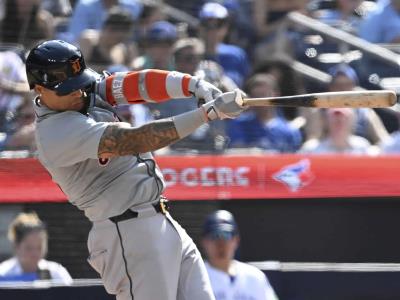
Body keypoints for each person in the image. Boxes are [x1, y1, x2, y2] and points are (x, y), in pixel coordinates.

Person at [25, 39, 245, 300]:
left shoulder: (81, 90)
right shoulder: (54, 133)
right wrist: (205, 114)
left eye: (80, 83)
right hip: (127, 231)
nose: (78, 92)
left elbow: (136, 84)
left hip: (160, 219)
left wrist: (194, 85)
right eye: (68, 89)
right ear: (40, 88)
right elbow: (137, 139)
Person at [201, 210, 279, 300]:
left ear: (236, 240)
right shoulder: (195, 277)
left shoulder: (255, 277)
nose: (220, 244)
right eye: (214, 236)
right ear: (204, 241)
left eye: (226, 235)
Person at [226, 73, 302, 153]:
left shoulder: (289, 131)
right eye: (256, 96)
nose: (261, 102)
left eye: (264, 95)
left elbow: (293, 159)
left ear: (276, 95)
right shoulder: (239, 124)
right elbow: (234, 152)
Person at [0, 212, 72, 284]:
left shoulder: (56, 273)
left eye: (39, 247)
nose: (35, 253)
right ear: (16, 246)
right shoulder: (3, 274)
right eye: (29, 248)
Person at [198, 2, 250, 88]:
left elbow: (246, 83)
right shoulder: (191, 53)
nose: (213, 30)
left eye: (219, 24)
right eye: (207, 24)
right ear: (200, 27)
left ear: (226, 27)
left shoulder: (236, 54)